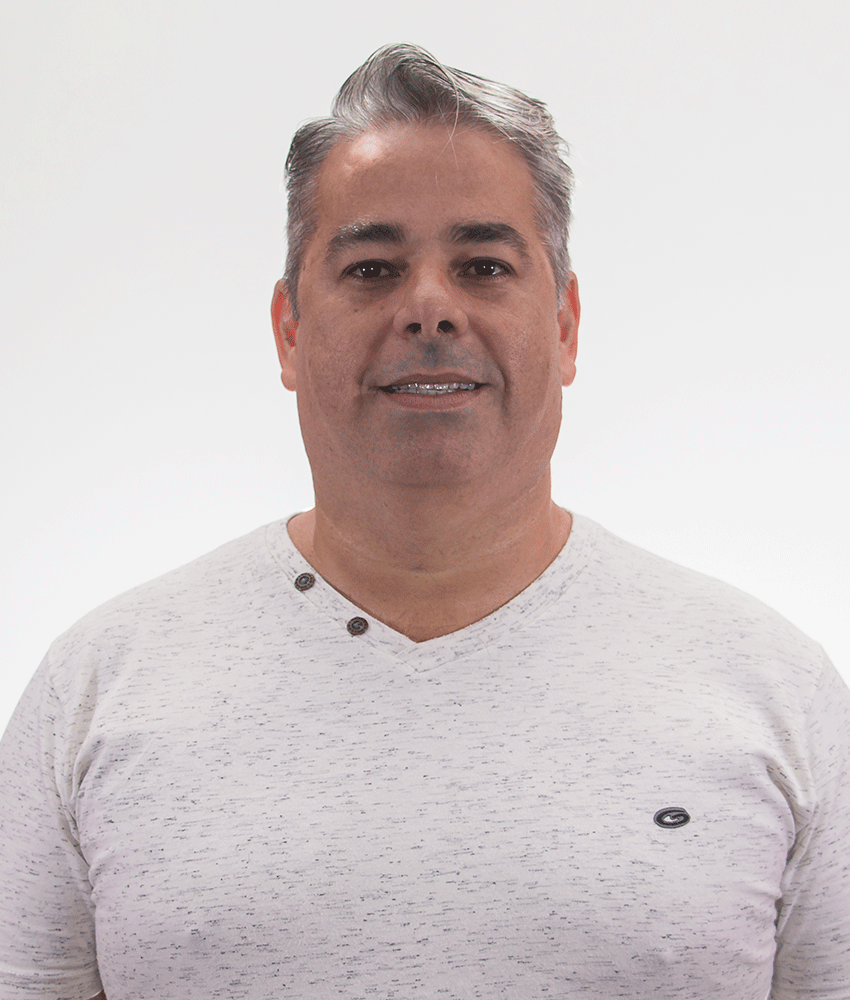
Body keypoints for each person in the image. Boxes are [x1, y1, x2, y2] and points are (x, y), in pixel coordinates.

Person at [0, 42, 848, 1000]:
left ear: (565, 325)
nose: (431, 308)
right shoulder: (97, 690)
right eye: (371, 268)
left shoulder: (774, 693)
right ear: (288, 330)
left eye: (484, 265)